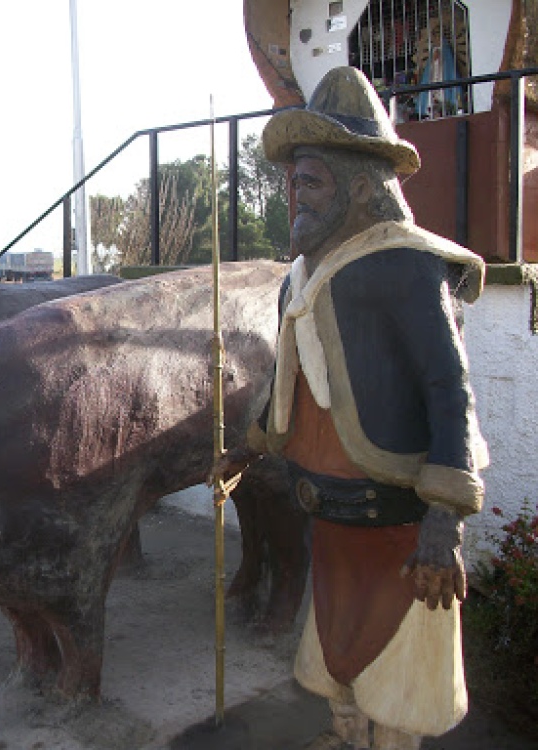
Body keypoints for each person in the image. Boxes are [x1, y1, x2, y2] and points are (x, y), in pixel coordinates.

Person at [215, 66, 488, 750]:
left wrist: (445, 522)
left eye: (311, 181)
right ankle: (344, 734)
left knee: (399, 671)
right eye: (293, 181)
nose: (294, 197)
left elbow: (448, 390)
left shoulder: (407, 266)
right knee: (339, 653)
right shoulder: (299, 280)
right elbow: (293, 379)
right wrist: (250, 446)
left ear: (363, 187)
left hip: (398, 520)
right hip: (330, 517)